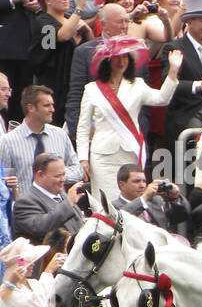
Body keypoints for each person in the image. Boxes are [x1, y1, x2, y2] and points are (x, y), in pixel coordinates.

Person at [76, 39, 181, 196]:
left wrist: (173, 71)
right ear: (107, 60)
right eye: (117, 57)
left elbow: (161, 99)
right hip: (103, 157)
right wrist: (83, 158)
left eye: (125, 57)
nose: (122, 61)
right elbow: (83, 127)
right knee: (105, 201)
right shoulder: (92, 89)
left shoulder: (137, 85)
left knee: (131, 201)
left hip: (130, 151)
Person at [0, 85, 80, 195]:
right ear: (31, 108)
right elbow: (3, 179)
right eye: (47, 105)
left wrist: (57, 175)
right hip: (26, 208)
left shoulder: (60, 135)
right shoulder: (8, 142)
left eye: (52, 105)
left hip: (59, 206)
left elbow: (78, 170)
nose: (52, 109)